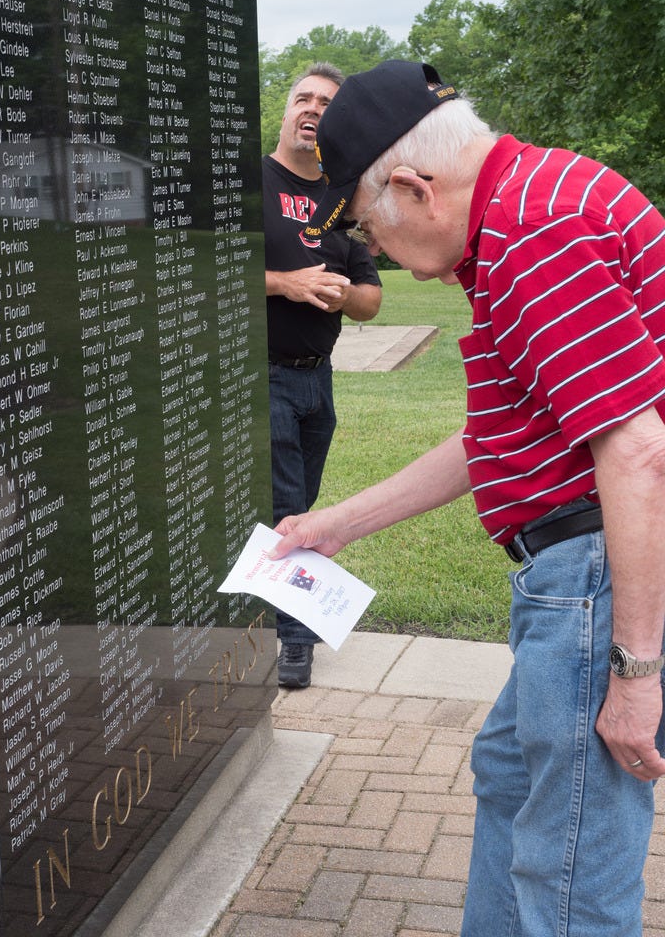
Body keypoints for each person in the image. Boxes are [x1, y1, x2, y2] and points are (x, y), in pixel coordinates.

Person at [271, 59, 665, 935]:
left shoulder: (535, 233)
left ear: (415, 185)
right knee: (511, 770)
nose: (386, 260)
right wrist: (338, 523)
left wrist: (636, 673)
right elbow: (492, 439)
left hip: (594, 570)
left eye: (373, 228)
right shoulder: (527, 208)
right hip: (582, 564)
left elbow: (637, 453)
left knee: (568, 871)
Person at [264, 62, 382, 687]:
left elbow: (371, 295)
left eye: (326, 104)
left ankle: (268, 606)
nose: (312, 110)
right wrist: (287, 282)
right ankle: (295, 638)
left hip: (319, 380)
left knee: (299, 502)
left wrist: (338, 297)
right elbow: (197, 267)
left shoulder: (341, 199)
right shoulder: (246, 182)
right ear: (286, 110)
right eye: (303, 98)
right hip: (264, 375)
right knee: (288, 504)